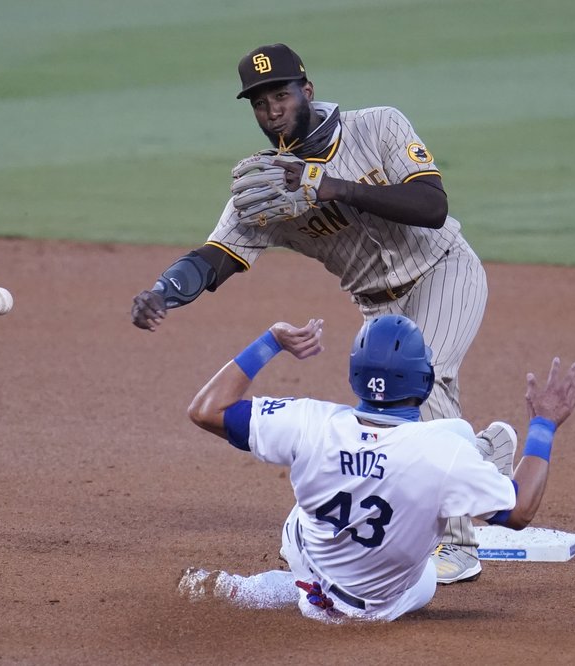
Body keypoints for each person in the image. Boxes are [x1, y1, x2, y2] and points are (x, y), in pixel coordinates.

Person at [132, 43, 510, 583]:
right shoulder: (266, 187)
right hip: (375, 308)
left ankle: (457, 544)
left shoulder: (377, 126)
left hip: (444, 272)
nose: (272, 110)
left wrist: (330, 187)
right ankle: (483, 454)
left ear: (306, 91)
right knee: (388, 414)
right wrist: (162, 291)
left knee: (420, 387)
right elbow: (217, 256)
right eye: (259, 103)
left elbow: (432, 206)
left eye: (280, 95)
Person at [179, 314, 575, 622]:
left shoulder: (308, 421)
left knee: (332, 495)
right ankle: (471, 484)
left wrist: (271, 340)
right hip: (380, 604)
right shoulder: (440, 454)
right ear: (423, 380)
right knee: (453, 451)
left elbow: (205, 409)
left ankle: (257, 589)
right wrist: (543, 426)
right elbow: (518, 511)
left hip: (306, 550)